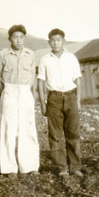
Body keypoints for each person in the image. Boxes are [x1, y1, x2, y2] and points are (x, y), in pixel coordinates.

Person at [0, 24, 39, 178]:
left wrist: (24, 89)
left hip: (25, 91)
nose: (18, 40)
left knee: (28, 128)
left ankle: (30, 166)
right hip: (9, 90)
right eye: (15, 37)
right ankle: (9, 168)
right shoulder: (2, 54)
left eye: (21, 37)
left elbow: (32, 76)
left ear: (24, 38)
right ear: (9, 39)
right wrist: (5, 91)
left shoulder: (31, 54)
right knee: (8, 128)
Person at [37, 29, 83, 178]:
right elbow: (40, 83)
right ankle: (61, 167)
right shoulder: (45, 59)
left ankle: (75, 167)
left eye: (58, 39)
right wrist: (43, 104)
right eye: (53, 40)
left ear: (64, 41)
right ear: (49, 42)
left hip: (70, 96)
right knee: (56, 135)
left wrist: (78, 100)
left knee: (73, 134)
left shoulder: (71, 58)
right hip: (53, 98)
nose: (56, 42)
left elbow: (78, 80)